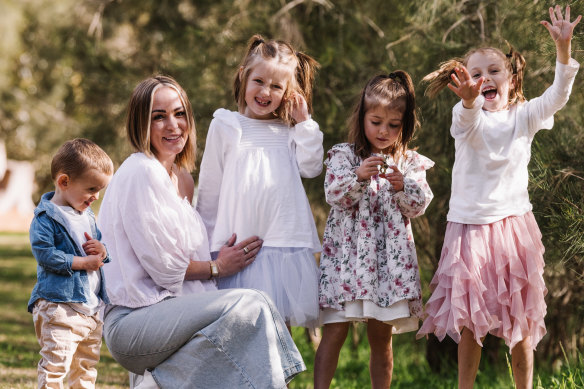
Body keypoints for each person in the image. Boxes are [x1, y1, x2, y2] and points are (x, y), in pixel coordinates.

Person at [98, 75, 305, 388]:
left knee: (243, 329)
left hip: (170, 317)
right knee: (252, 304)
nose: (173, 125)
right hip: (133, 321)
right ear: (141, 123)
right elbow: (167, 271)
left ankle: (155, 383)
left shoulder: (181, 179)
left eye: (179, 114)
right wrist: (217, 267)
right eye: (159, 117)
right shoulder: (140, 171)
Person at [416, 5, 581, 389]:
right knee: (470, 321)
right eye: (476, 74)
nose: (484, 79)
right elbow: (466, 119)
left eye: (493, 71)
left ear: (511, 77)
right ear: (465, 82)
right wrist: (470, 100)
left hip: (513, 225)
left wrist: (563, 50)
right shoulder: (466, 117)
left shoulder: (524, 115)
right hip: (470, 229)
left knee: (521, 320)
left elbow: (557, 96)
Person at [314, 71, 434, 389]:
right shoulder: (344, 156)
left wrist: (402, 186)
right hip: (346, 264)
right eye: (376, 121)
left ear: (404, 125)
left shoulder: (408, 163)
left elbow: (418, 205)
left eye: (393, 125)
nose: (383, 131)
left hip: (386, 271)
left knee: (381, 339)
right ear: (362, 117)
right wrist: (357, 176)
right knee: (335, 331)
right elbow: (334, 195)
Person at [196, 34, 323, 331]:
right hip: (237, 246)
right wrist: (206, 247)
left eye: (277, 86)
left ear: (289, 92)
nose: (266, 91)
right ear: (243, 77)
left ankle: (281, 381)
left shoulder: (291, 131)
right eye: (259, 81)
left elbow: (312, 167)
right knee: (238, 330)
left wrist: (304, 123)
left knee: (280, 330)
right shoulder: (225, 125)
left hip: (282, 244)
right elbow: (210, 190)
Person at [28, 138, 114, 388]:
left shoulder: (85, 215)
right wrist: (82, 262)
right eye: (91, 189)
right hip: (61, 306)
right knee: (56, 364)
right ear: (64, 182)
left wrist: (102, 251)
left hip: (90, 309)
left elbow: (97, 252)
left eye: (99, 190)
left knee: (86, 367)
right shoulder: (46, 219)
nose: (96, 197)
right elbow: (45, 255)